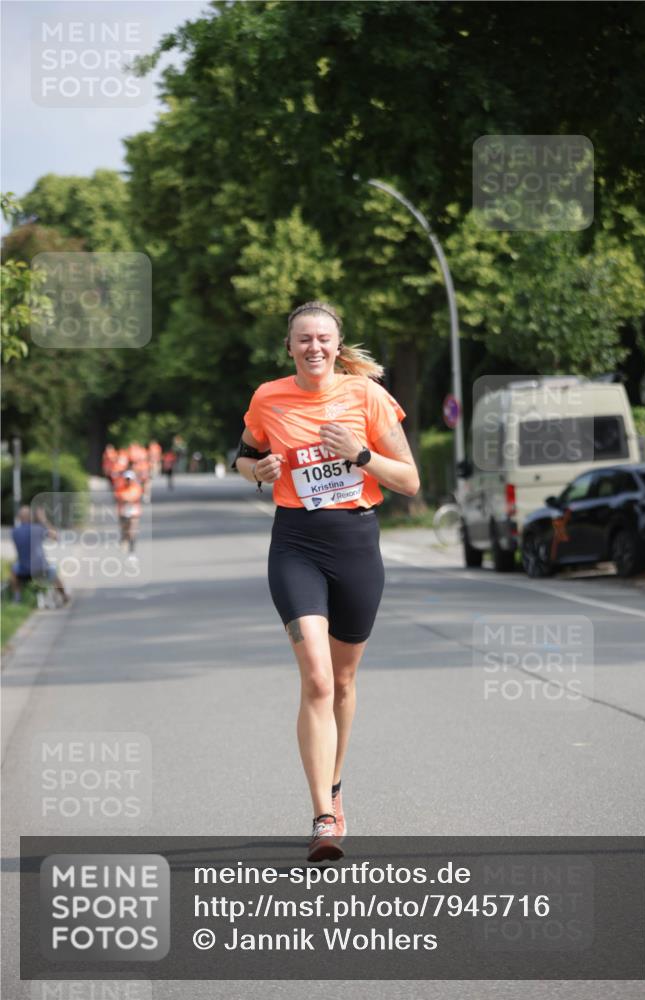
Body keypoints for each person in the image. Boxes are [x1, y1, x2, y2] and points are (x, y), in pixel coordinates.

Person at [234, 301, 419, 862]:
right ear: (288, 346)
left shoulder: (367, 397)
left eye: (323, 339)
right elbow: (243, 455)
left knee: (341, 683)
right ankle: (322, 817)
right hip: (296, 545)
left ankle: (334, 788)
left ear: (337, 347)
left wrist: (360, 455)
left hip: (357, 544)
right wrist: (257, 472)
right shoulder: (268, 398)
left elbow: (410, 480)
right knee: (315, 678)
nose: (314, 347)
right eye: (302, 339)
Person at [10, 505, 69, 604]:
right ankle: (64, 596)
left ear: (19, 518)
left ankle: (17, 598)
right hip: (41, 569)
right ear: (30, 517)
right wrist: (43, 520)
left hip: (23, 571)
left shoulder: (15, 532)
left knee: (13, 570)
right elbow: (56, 536)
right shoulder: (38, 529)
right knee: (54, 572)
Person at [113, 469, 143, 556]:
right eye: (127, 479)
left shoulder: (136, 488)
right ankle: (124, 540)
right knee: (124, 530)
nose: (128, 481)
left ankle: (132, 546)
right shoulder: (120, 489)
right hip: (123, 512)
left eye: (130, 479)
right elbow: (118, 498)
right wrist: (125, 500)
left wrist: (128, 500)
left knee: (132, 529)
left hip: (134, 512)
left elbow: (137, 497)